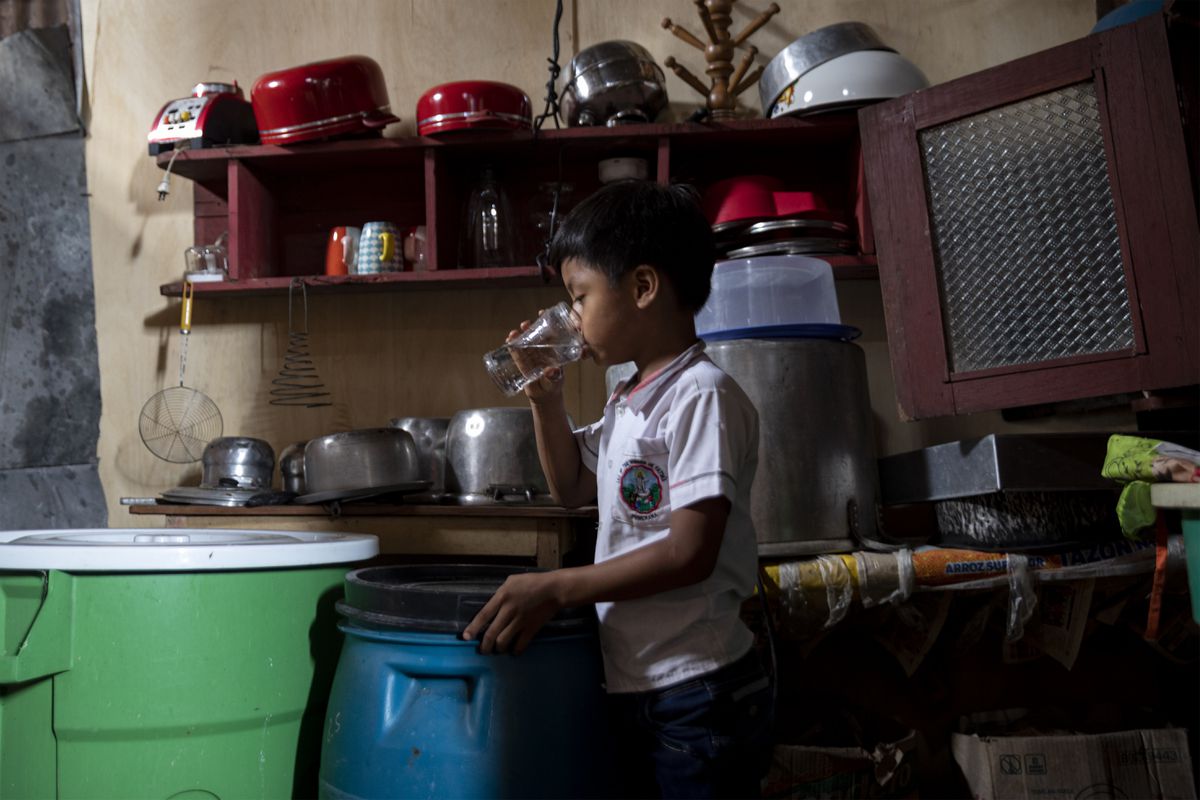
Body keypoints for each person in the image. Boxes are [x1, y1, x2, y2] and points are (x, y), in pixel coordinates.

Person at [462, 180, 772, 799]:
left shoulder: (699, 396)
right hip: (640, 679)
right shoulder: (628, 395)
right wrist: (544, 399)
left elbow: (690, 553)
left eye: (579, 297)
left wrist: (556, 588)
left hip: (698, 686)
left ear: (643, 287)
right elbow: (575, 489)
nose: (571, 319)